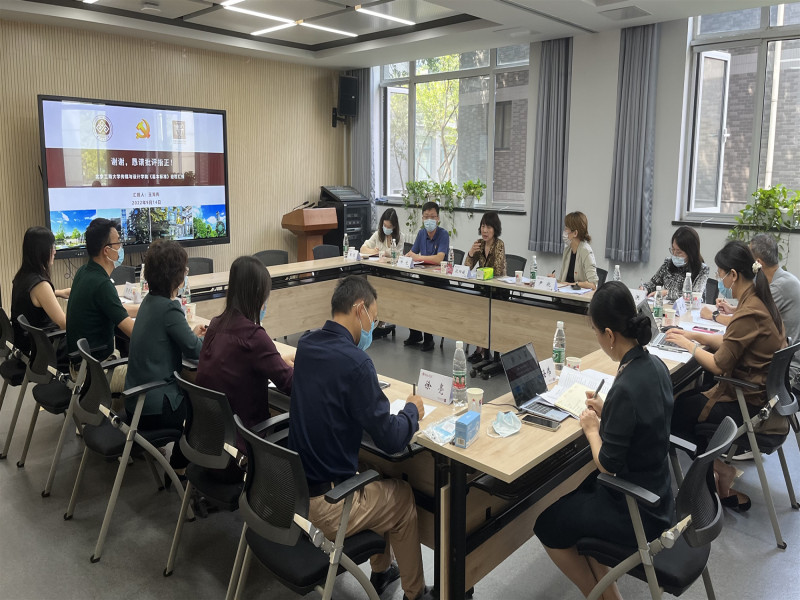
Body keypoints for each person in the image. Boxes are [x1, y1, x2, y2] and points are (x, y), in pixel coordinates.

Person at [287, 276, 430, 600]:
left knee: (373, 474)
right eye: (373, 319)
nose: (373, 328)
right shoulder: (357, 363)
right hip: (329, 508)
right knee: (402, 496)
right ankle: (416, 594)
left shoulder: (307, 344)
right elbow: (392, 439)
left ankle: (382, 571)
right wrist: (412, 410)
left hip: (295, 493)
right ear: (359, 309)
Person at [534, 281, 674, 600]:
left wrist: (591, 429)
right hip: (659, 492)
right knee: (579, 495)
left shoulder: (626, 386)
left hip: (636, 509)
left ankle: (603, 597)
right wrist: (608, 409)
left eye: (597, 332)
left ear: (609, 335)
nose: (598, 339)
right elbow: (643, 419)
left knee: (547, 525)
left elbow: (608, 465)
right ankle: (609, 595)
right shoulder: (655, 365)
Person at [667, 240, 785, 511]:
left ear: (733, 274)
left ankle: (716, 475)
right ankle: (718, 472)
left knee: (673, 415)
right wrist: (693, 335)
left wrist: (689, 346)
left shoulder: (751, 310)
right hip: (759, 397)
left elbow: (719, 365)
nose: (719, 280)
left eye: (720, 274)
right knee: (685, 399)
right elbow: (731, 342)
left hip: (748, 403)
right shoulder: (759, 300)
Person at [124, 240, 206, 475]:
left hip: (136, 402)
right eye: (185, 270)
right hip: (156, 407)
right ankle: (179, 466)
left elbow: (170, 339)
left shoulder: (149, 302)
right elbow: (196, 351)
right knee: (205, 410)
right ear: (176, 276)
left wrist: (190, 335)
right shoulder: (170, 308)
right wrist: (211, 341)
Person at [196, 256, 294, 442]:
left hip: (211, 435)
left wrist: (277, 361)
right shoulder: (254, 337)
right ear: (257, 295)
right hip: (244, 440)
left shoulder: (215, 325)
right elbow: (290, 384)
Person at [700, 234, 800, 386]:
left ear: (758, 263)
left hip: (783, 372)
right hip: (774, 369)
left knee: (711, 371)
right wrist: (733, 309)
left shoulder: (777, 288)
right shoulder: (784, 280)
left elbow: (748, 318)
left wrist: (714, 315)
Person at [66, 218, 137, 390]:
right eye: (118, 243)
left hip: (81, 366)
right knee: (156, 372)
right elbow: (134, 332)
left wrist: (145, 310)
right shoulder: (102, 284)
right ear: (107, 251)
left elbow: (115, 309)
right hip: (96, 373)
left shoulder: (84, 272)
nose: (121, 247)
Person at [11, 226, 70, 360]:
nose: (55, 251)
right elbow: (64, 324)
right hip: (45, 348)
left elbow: (32, 298)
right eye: (52, 247)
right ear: (41, 251)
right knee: (90, 338)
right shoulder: (40, 285)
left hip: (26, 345)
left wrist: (59, 292)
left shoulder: (22, 276)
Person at [405, 201, 450, 351]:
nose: (429, 220)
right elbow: (412, 253)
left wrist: (418, 257)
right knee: (409, 294)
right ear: (422, 218)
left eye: (432, 217)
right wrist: (407, 257)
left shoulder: (443, 234)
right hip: (424, 277)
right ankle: (415, 334)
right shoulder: (421, 233)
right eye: (426, 217)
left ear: (438, 219)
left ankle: (429, 339)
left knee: (426, 300)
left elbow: (439, 259)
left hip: (439, 281)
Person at [465, 211, 506, 363]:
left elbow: (498, 270)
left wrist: (481, 272)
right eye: (483, 226)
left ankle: (488, 352)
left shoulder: (499, 244)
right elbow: (467, 268)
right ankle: (480, 350)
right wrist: (471, 253)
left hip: (497, 290)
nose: (485, 230)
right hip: (482, 289)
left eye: (488, 227)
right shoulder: (479, 244)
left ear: (495, 229)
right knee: (477, 316)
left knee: (489, 317)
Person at [361, 208, 405, 339]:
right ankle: (374, 321)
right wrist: (374, 251)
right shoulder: (377, 235)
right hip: (377, 271)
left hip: (393, 274)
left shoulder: (400, 237)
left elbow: (398, 256)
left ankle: (382, 320)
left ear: (394, 226)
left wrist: (386, 253)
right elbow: (363, 248)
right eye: (384, 225)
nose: (386, 228)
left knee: (385, 287)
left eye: (389, 226)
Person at [642, 226, 709, 302]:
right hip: (667, 307)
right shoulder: (668, 263)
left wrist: (667, 293)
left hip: (690, 308)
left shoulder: (702, 269)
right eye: (673, 249)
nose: (674, 254)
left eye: (679, 252)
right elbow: (653, 284)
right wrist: (644, 288)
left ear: (691, 252)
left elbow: (695, 296)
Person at [555, 211, 599, 289]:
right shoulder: (567, 250)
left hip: (579, 296)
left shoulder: (586, 251)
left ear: (575, 233)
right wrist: (553, 281)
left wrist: (573, 284)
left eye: (566, 229)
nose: (564, 232)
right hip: (565, 294)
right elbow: (563, 282)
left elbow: (593, 284)